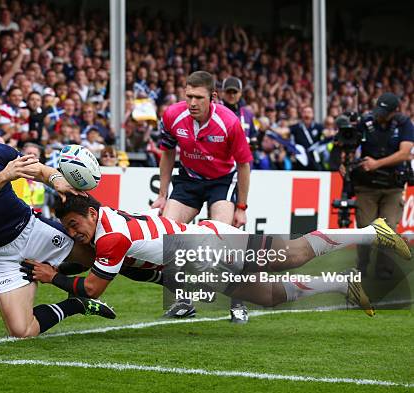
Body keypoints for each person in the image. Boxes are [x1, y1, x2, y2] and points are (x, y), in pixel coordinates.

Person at [25, 194, 412, 317]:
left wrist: (52, 276)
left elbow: (92, 289)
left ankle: (371, 231)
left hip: (209, 242)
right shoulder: (103, 218)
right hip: (195, 262)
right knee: (270, 296)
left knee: (292, 254)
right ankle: (342, 283)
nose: (74, 232)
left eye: (76, 224)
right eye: (69, 228)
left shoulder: (110, 239)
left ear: (92, 214)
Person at [0, 108, 115, 338]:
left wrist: (56, 179)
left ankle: (54, 272)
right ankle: (76, 305)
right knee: (22, 331)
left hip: (32, 230)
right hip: (2, 254)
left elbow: (37, 169)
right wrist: (5, 175)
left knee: (93, 256)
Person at [150, 71, 252, 322]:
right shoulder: (173, 115)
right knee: (169, 236)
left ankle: (238, 301)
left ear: (213, 97)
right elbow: (167, 153)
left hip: (222, 181)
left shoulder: (229, 122)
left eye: (199, 97)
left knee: (220, 239)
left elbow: (244, 165)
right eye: (189, 96)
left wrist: (241, 206)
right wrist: (162, 194)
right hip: (189, 179)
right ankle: (184, 302)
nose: (192, 103)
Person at [351, 93, 414, 278]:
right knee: (364, 228)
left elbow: (405, 154)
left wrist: (376, 163)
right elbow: (350, 144)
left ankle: (384, 269)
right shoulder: (366, 122)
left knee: (388, 229)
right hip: (367, 185)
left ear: (395, 111)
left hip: (392, 186)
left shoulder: (404, 124)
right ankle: (362, 266)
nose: (380, 114)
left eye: (384, 112)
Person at [289, 105, 324, 171]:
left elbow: (326, 133)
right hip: (300, 159)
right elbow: (286, 131)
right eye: (304, 112)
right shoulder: (296, 127)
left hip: (314, 159)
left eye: (309, 112)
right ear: (301, 114)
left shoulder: (318, 127)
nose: (307, 115)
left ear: (313, 114)